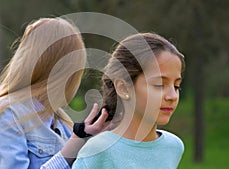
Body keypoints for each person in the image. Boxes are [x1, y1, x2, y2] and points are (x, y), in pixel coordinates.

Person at [0, 17, 111, 169]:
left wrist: (92, 143)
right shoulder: (9, 113)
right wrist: (73, 146)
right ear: (63, 72)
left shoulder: (61, 123)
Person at [72, 32, 186, 169]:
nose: (172, 96)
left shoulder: (173, 147)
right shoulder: (98, 151)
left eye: (176, 86)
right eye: (159, 85)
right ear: (123, 88)